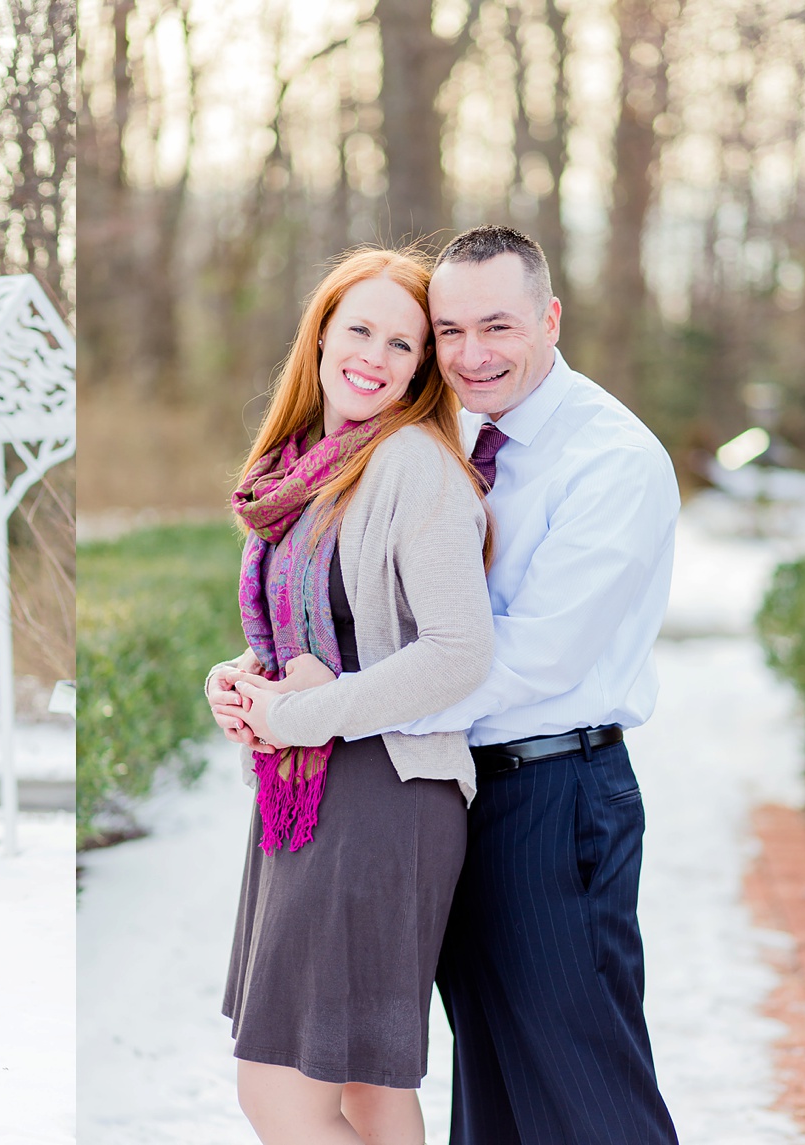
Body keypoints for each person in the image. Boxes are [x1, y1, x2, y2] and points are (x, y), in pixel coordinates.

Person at [228, 226, 682, 1144]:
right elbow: (368, 606)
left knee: (581, 1079)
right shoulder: (451, 429)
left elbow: (517, 658)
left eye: (499, 326)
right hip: (449, 784)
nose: (472, 354)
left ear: (550, 319)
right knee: (492, 1085)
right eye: (449, 331)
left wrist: (314, 713)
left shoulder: (611, 461)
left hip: (556, 790)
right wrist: (263, 685)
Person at [205, 247, 495, 1145]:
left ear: (420, 371)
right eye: (359, 329)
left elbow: (459, 652)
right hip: (312, 790)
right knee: (365, 1089)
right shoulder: (308, 467)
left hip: (384, 798)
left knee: (278, 1092)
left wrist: (298, 714)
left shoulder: (415, 464)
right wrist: (240, 679)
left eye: (402, 344)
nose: (373, 355)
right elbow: (319, 635)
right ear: (322, 332)